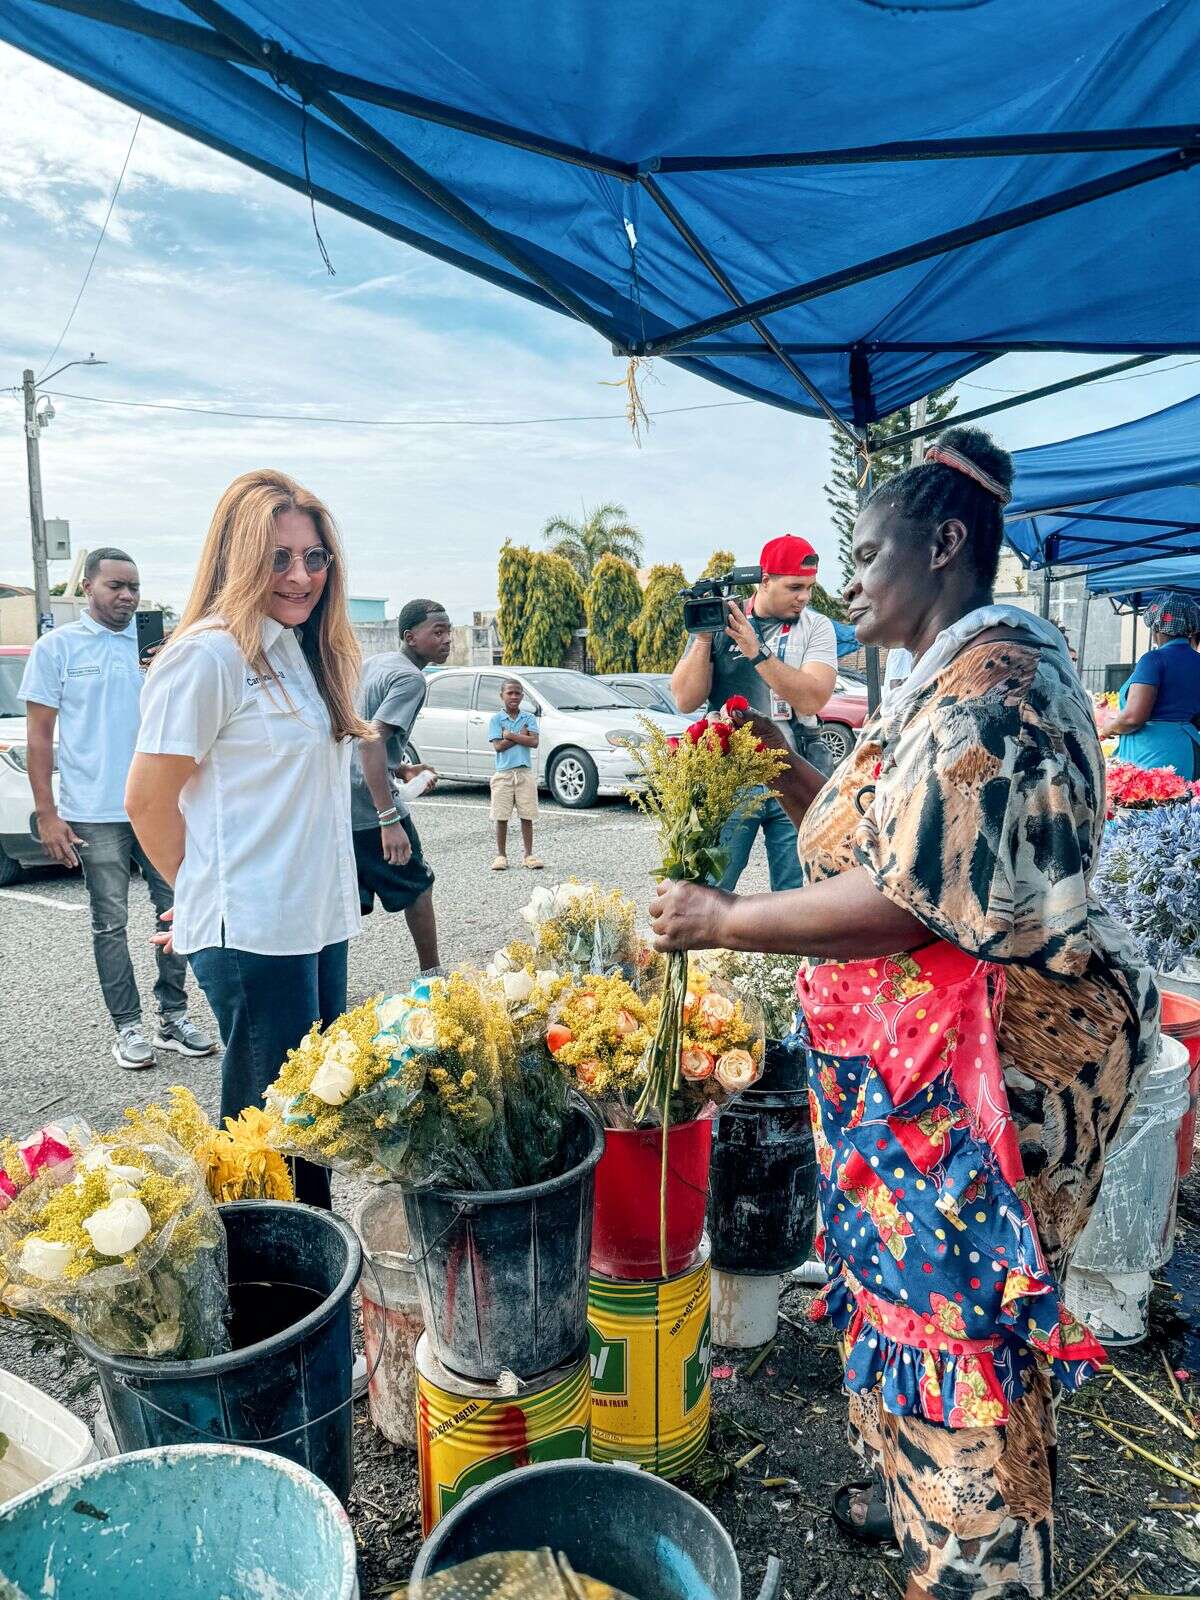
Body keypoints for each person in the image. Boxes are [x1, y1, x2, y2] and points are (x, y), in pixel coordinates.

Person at [649, 427, 1156, 1600]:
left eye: (868, 552)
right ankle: (905, 1492)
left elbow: (910, 902)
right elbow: (877, 818)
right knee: (902, 1295)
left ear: (945, 544)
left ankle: (976, 1564)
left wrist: (724, 916)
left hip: (979, 1087)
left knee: (956, 1320)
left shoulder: (1000, 690)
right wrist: (776, 759)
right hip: (919, 1081)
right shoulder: (942, 675)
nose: (851, 576)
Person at [125, 470, 368, 1208]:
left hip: (317, 924)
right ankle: (271, 1305)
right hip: (258, 931)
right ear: (235, 558)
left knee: (313, 1130)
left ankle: (314, 1291)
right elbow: (147, 801)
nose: (300, 576)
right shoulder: (208, 656)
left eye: (314, 558)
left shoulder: (301, 648)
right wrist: (203, 893)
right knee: (269, 1151)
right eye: (278, 558)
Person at [19, 547, 213, 1069]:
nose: (128, 596)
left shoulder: (163, 646)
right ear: (87, 588)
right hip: (94, 810)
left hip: (162, 805)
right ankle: (127, 1028)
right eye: (116, 586)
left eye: (134, 587)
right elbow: (40, 736)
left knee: (179, 912)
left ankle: (174, 1018)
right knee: (109, 921)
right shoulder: (57, 648)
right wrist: (48, 813)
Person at [671, 534, 838, 891]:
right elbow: (685, 700)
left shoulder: (816, 626)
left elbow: (813, 699)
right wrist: (704, 637)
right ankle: (711, 949)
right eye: (795, 587)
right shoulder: (720, 620)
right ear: (765, 581)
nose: (804, 597)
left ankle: (797, 950)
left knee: (800, 894)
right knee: (712, 885)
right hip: (731, 777)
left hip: (796, 770)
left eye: (809, 587)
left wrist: (755, 650)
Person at [348, 599, 450, 972]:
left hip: (340, 799)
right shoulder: (410, 677)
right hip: (368, 802)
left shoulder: (377, 663)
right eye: (437, 632)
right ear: (410, 637)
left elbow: (361, 730)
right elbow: (370, 740)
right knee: (417, 886)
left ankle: (321, 993)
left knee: (343, 902)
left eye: (448, 631)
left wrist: (403, 767)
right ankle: (433, 978)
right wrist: (388, 819)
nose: (446, 640)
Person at [1098, 590, 1200, 776]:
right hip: (1187, 750)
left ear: (1156, 626)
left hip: (1154, 754)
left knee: (1149, 802)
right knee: (1185, 803)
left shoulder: (1154, 660)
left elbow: (1133, 718)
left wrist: (1107, 727)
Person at [488, 678, 542, 871]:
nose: (513, 696)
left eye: (517, 693)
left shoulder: (528, 718)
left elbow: (534, 742)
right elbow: (498, 747)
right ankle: (501, 855)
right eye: (509, 693)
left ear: (522, 696)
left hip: (524, 772)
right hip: (504, 774)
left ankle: (528, 854)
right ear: (502, 695)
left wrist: (510, 735)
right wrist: (521, 736)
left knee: (527, 814)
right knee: (501, 816)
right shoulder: (496, 719)